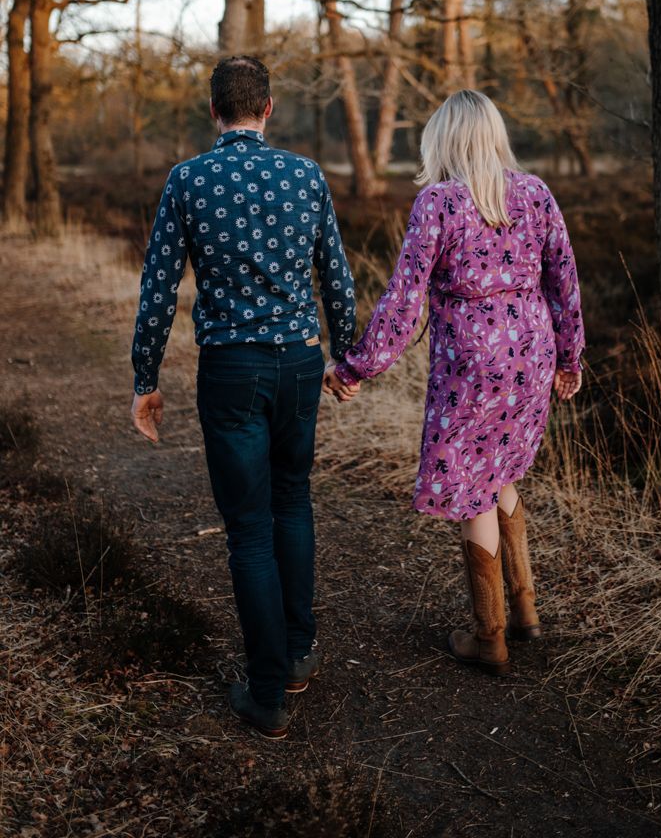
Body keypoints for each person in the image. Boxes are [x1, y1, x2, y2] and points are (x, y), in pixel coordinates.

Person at [130, 55, 358, 738]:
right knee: (292, 500)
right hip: (297, 364)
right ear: (268, 108)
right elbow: (337, 278)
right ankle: (296, 653)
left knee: (249, 529)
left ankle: (267, 695)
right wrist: (346, 355)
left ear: (214, 112)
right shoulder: (306, 175)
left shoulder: (188, 180)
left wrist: (146, 378)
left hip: (231, 367)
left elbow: (159, 290)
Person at [326, 90, 584, 675]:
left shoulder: (438, 202)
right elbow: (564, 281)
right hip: (531, 353)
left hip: (472, 362)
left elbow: (402, 301)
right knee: (503, 468)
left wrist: (355, 367)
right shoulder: (535, 192)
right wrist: (570, 358)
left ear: (442, 140)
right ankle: (526, 612)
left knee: (473, 484)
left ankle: (489, 635)